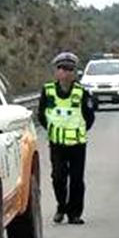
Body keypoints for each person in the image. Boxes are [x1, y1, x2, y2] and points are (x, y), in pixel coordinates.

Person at [38, 52, 97, 224]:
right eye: (62, 68)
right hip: (57, 144)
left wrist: (78, 132)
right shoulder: (48, 91)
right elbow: (41, 115)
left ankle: (74, 213)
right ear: (56, 71)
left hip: (78, 144)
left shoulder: (81, 92)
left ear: (74, 72)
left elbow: (89, 117)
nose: (66, 72)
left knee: (77, 180)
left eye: (70, 69)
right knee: (58, 177)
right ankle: (61, 206)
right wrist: (52, 131)